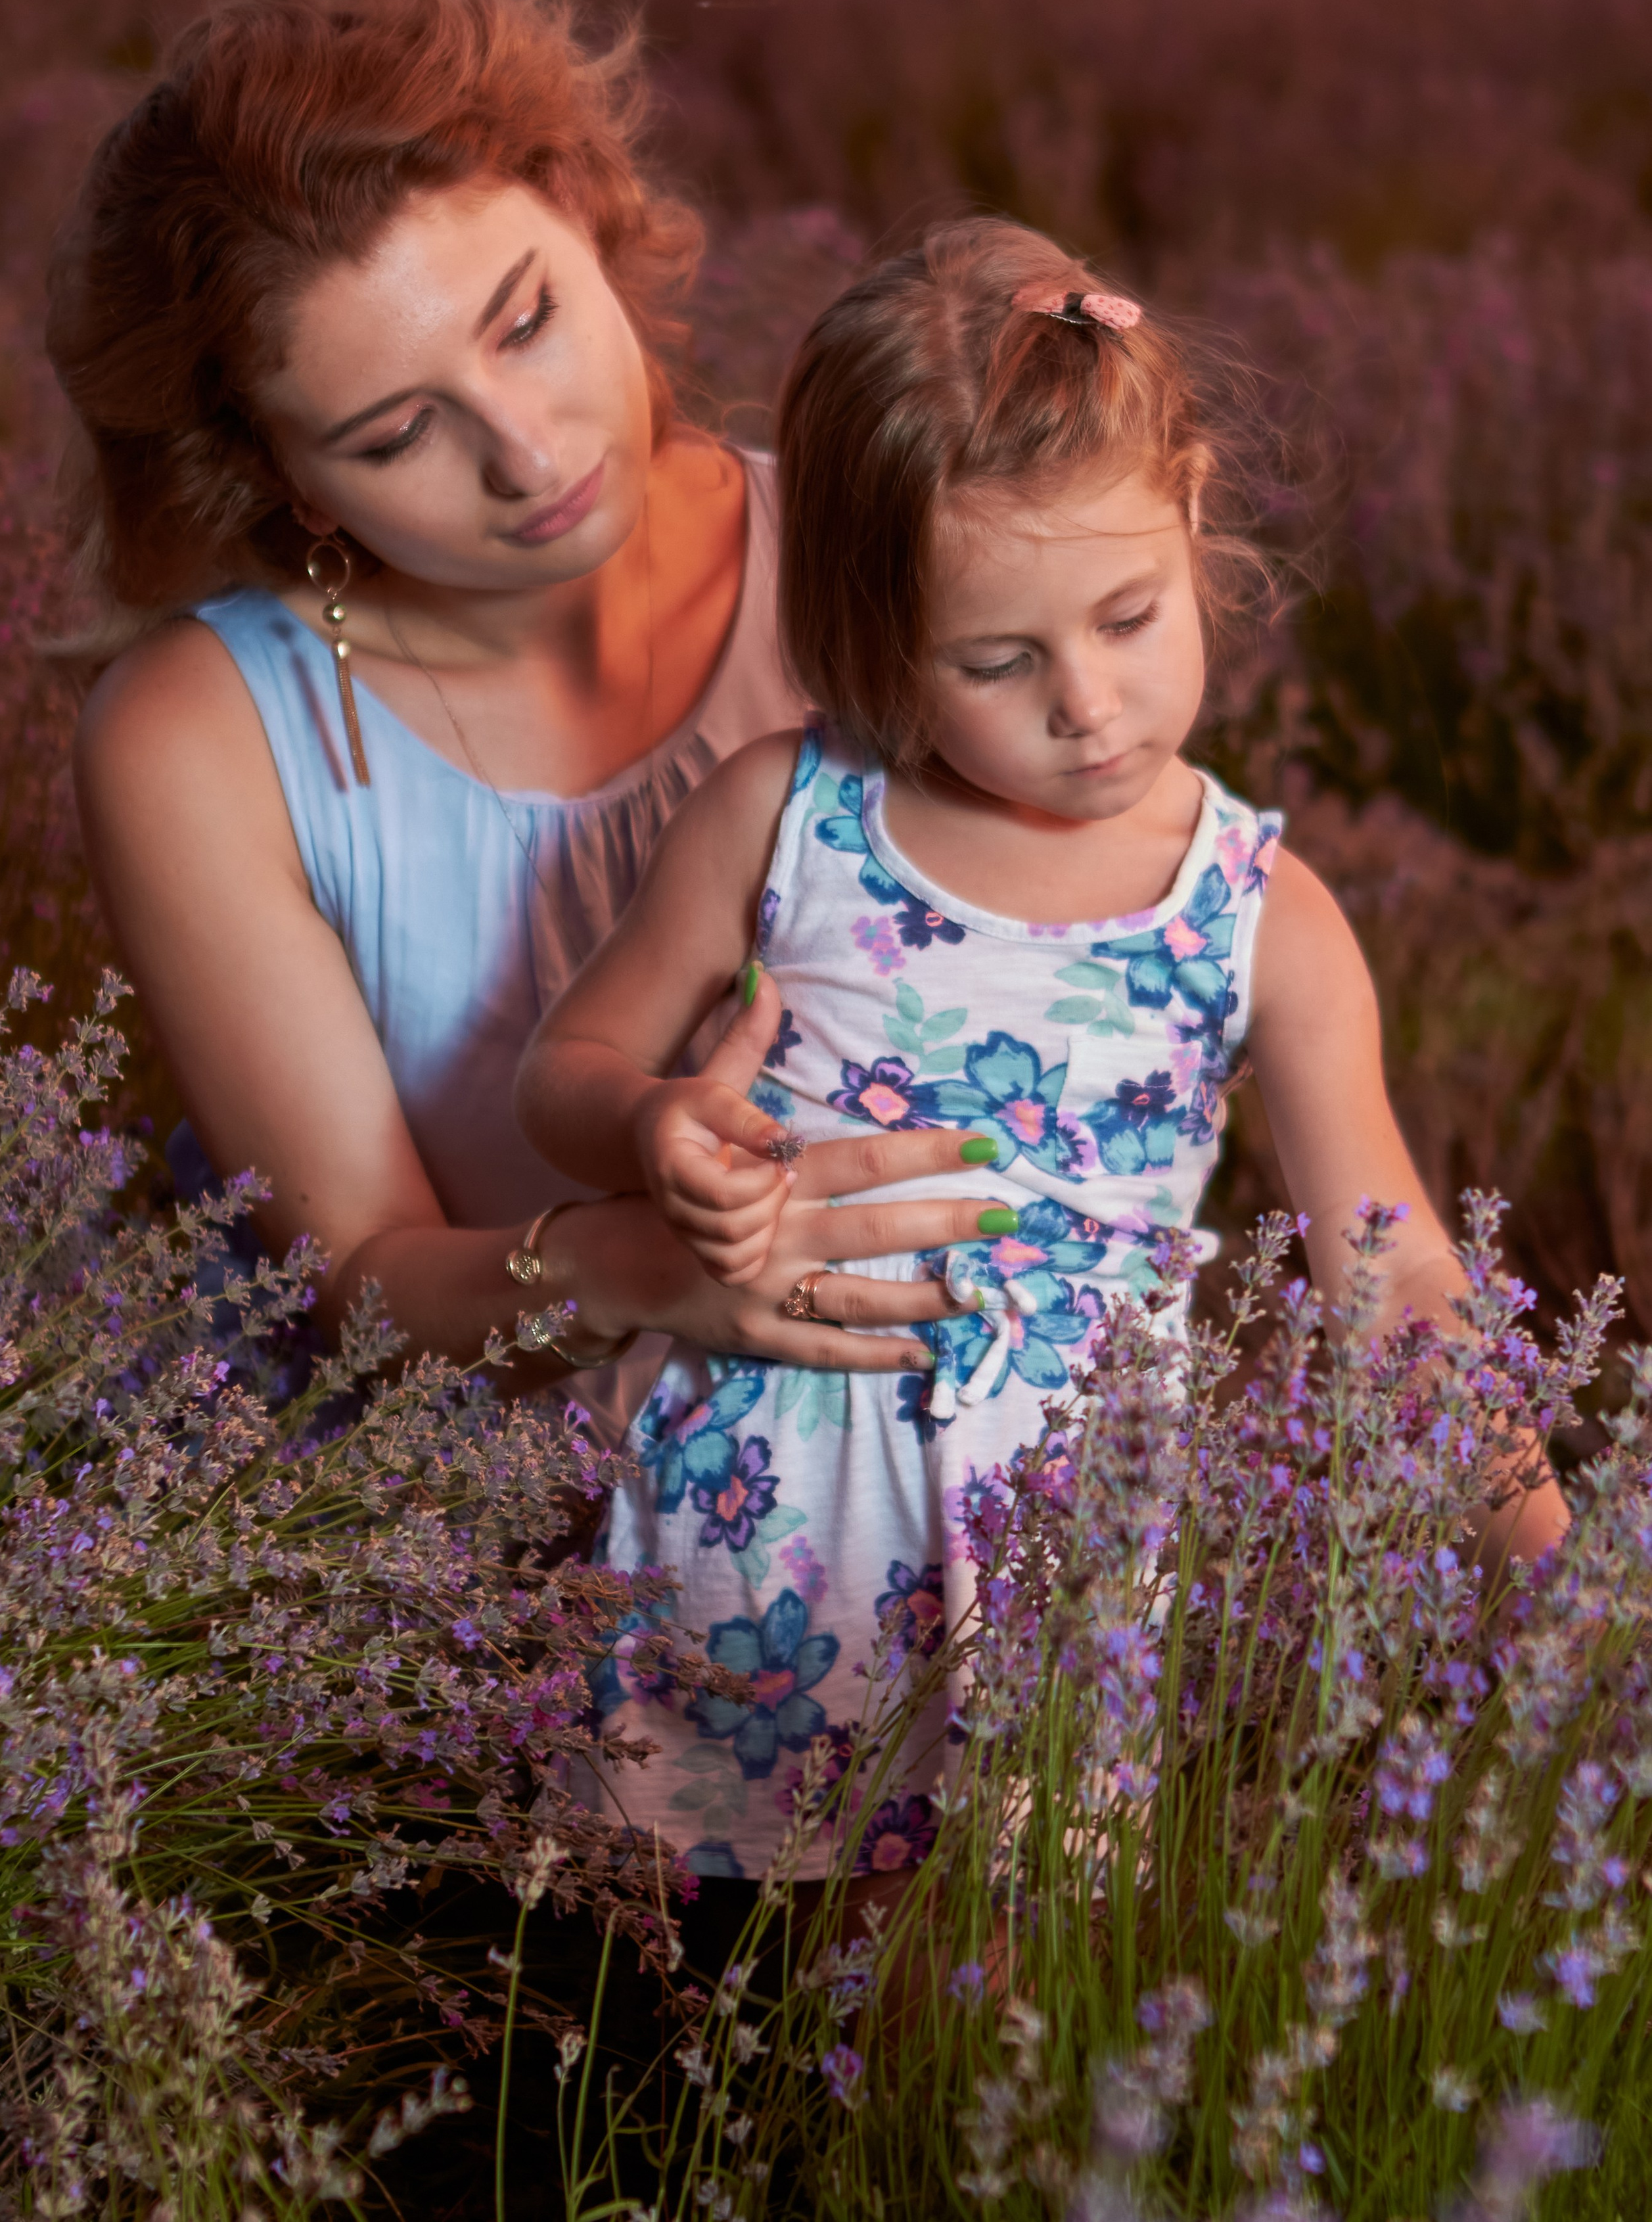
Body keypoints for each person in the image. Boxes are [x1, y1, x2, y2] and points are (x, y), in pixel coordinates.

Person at [518, 218, 1571, 1886]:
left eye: (1129, 617)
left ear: (1194, 509)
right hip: (741, 1515)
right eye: (996, 662)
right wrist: (651, 1124)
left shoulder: (1254, 913)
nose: (1086, 702)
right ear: (875, 630)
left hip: (1050, 1555)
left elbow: (1394, 1280)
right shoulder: (787, 817)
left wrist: (1557, 1580)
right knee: (676, 1988)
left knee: (990, 1976)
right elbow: (562, 1074)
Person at [54, 0, 994, 1466]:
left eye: (527, 320)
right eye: (396, 432)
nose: (524, 451)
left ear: (583, 207)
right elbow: (353, 1280)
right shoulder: (200, 739)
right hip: (486, 1559)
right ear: (277, 476)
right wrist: (635, 1269)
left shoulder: (868, 551)